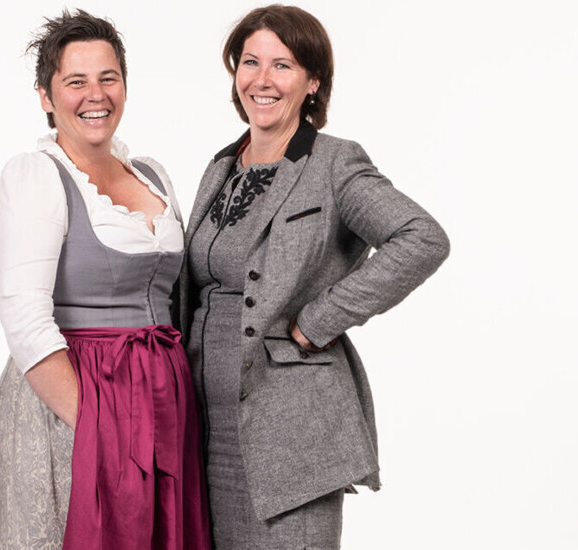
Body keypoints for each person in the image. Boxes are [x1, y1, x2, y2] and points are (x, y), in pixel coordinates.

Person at [180, 5, 450, 549]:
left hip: (288, 435)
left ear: (312, 82)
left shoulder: (333, 163)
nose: (262, 79)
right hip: (208, 430)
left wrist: (317, 320)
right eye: (250, 62)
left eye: (282, 65)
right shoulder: (222, 167)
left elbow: (422, 238)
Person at [0, 10, 210, 550]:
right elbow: (25, 319)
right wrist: (101, 425)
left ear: (125, 84)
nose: (94, 94)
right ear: (46, 96)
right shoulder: (36, 176)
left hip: (160, 401)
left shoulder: (151, 174)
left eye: (108, 78)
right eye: (74, 81)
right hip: (75, 396)